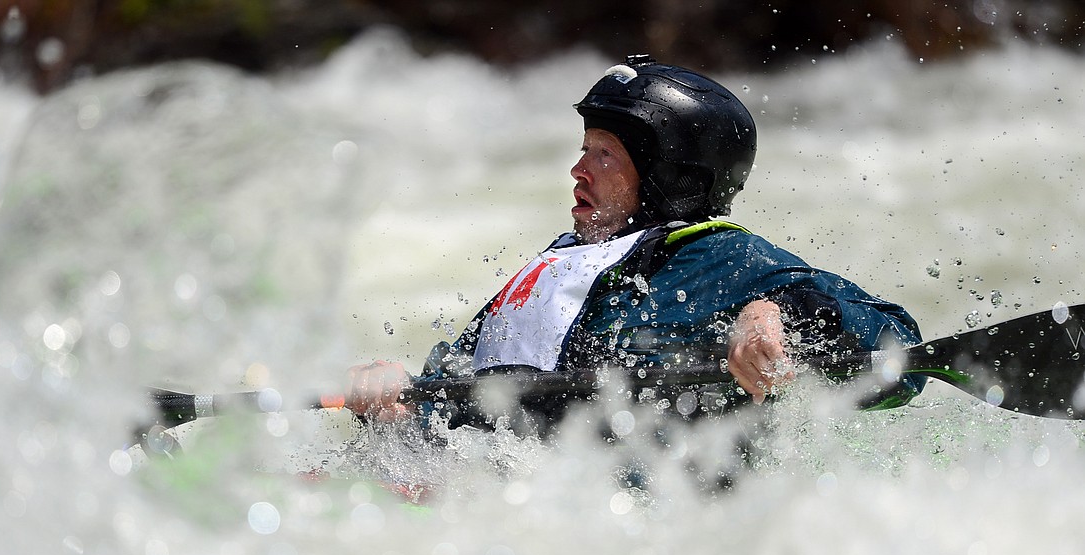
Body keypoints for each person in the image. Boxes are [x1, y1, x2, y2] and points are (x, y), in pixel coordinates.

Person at [344, 54, 925, 433]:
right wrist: (394, 407)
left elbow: (900, 348)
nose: (578, 169)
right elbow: (456, 404)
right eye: (584, 148)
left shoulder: (720, 257)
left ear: (672, 177)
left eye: (605, 154)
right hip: (507, 500)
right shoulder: (559, 263)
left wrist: (775, 313)